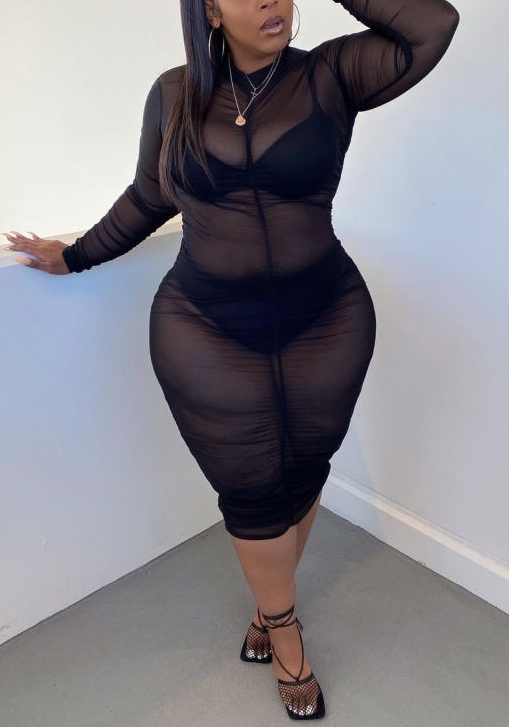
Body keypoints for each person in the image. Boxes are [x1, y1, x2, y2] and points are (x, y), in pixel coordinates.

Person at [3, 0, 460, 719]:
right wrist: (77, 255)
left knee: (305, 469)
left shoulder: (332, 74)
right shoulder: (173, 93)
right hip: (206, 327)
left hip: (326, 321)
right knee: (251, 492)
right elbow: (149, 196)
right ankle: (284, 630)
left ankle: (267, 609)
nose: (270, 0)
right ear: (210, 10)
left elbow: (433, 25)